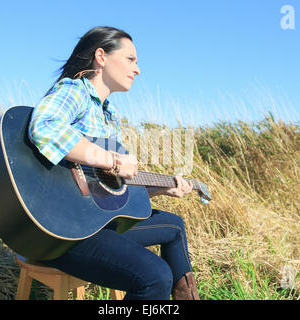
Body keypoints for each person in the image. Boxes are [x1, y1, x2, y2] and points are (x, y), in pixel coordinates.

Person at [28, 26, 200, 300]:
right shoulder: (75, 92)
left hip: (94, 221)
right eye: (131, 59)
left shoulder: (108, 115)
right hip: (63, 230)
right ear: (101, 57)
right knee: (155, 276)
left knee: (174, 226)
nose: (138, 69)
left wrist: (161, 189)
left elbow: (113, 191)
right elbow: (45, 126)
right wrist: (111, 160)